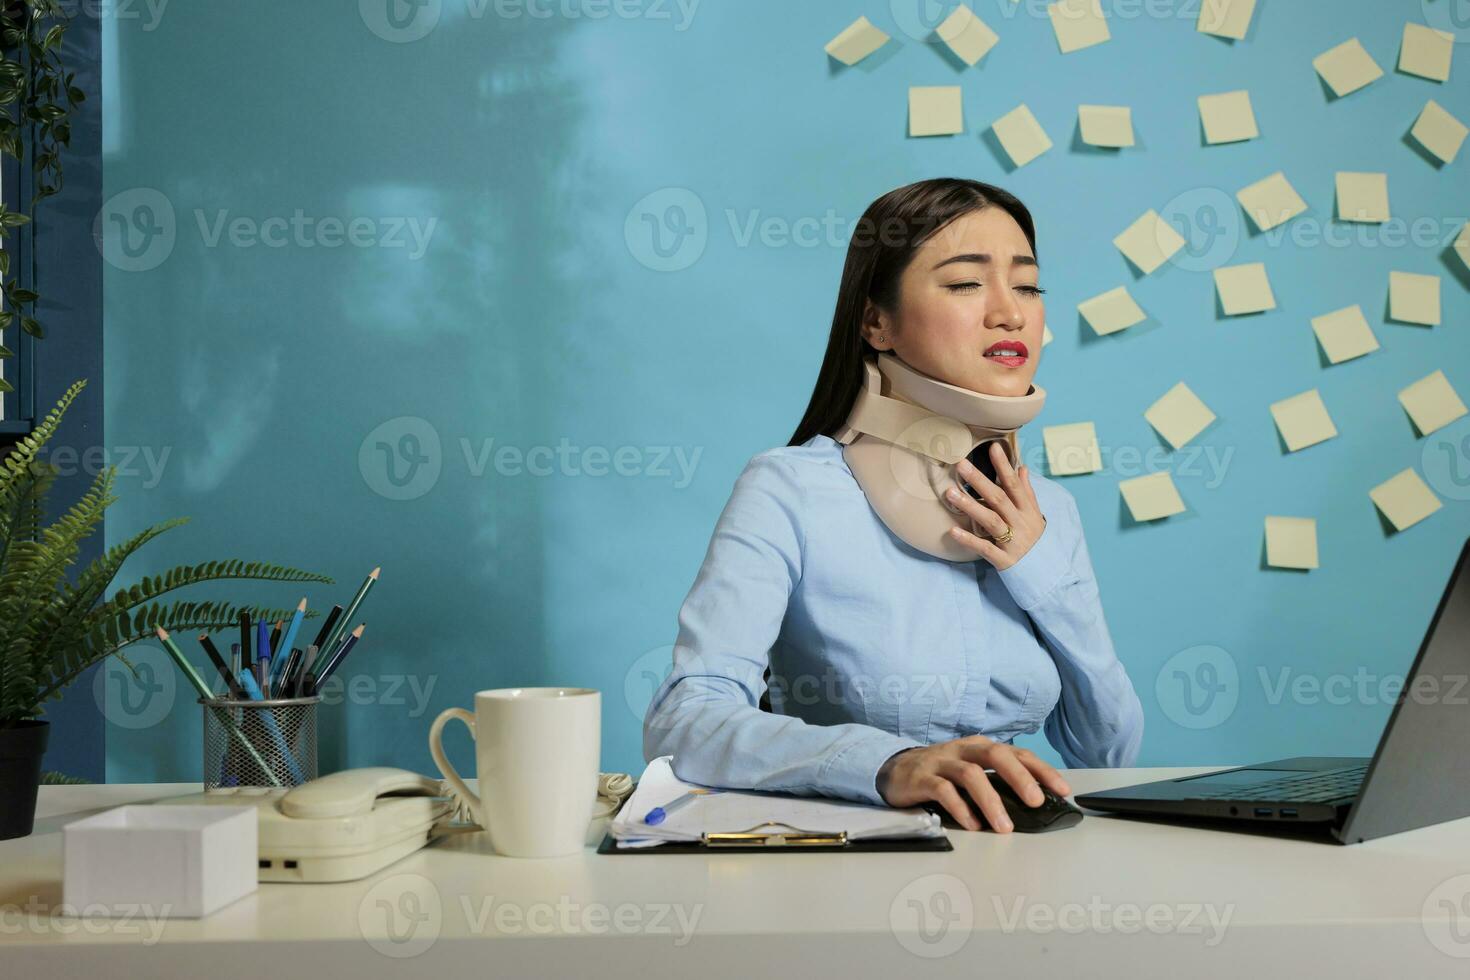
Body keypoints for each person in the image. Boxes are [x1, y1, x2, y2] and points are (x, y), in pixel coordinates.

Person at [643, 178, 1143, 833]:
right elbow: (683, 724)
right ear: (876, 321)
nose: (1010, 312)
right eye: (966, 284)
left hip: (1025, 865)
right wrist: (885, 765)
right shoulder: (789, 490)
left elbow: (1109, 752)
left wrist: (1040, 568)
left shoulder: (1047, 512)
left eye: (1027, 286)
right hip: (852, 863)